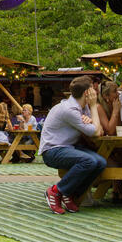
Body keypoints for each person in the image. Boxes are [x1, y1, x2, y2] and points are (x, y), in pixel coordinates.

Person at [38, 75, 105, 214]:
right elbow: (96, 132)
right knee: (89, 161)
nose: (96, 92)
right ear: (87, 93)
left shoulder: (82, 108)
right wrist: (93, 106)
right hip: (53, 151)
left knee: (100, 162)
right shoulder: (69, 110)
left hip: (69, 147)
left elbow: (99, 130)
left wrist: (91, 120)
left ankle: (69, 193)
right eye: (93, 89)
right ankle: (55, 191)